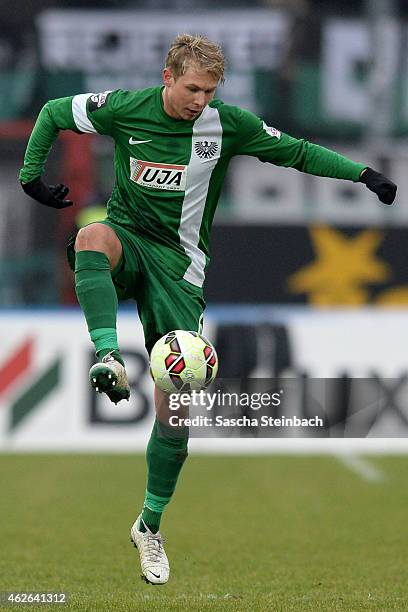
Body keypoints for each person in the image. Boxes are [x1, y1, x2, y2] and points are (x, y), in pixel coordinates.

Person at [19, 33, 397, 585]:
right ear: (168, 77)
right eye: (193, 87)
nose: (201, 99)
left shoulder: (227, 125)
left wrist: (363, 174)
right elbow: (54, 112)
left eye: (210, 90)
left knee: (176, 413)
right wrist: (31, 176)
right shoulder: (126, 108)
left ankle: (148, 525)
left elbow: (297, 151)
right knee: (91, 237)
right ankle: (108, 356)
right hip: (129, 238)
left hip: (182, 270)